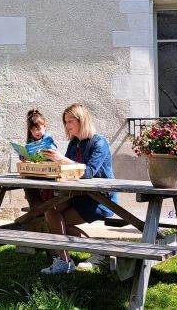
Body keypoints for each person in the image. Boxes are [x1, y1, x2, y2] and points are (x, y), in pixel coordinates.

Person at [40, 103, 117, 274]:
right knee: (50, 212)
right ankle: (65, 261)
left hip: (100, 198)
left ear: (82, 120)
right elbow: (68, 169)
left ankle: (96, 253)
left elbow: (89, 172)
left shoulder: (100, 142)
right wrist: (47, 161)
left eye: (70, 121)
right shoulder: (74, 143)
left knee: (57, 225)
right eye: (65, 122)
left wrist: (62, 159)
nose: (67, 126)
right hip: (77, 194)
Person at [22, 109, 59, 204]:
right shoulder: (31, 140)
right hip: (36, 172)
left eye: (38, 129)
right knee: (32, 194)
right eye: (33, 130)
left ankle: (46, 214)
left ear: (44, 126)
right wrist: (24, 156)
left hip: (48, 172)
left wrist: (51, 151)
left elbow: (54, 151)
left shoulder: (48, 139)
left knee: (47, 198)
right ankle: (38, 212)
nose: (36, 132)